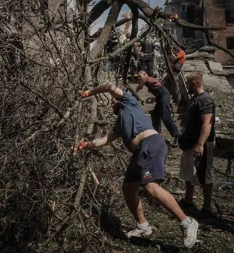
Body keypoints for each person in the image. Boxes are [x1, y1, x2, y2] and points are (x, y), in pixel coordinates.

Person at [76, 83, 199, 248]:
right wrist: (85, 145)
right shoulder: (120, 123)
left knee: (151, 187)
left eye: (114, 100)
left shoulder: (129, 102)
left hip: (150, 145)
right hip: (139, 153)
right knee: (128, 188)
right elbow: (104, 140)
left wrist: (89, 92)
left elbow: (109, 87)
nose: (111, 103)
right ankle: (143, 226)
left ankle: (187, 222)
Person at [178, 73, 216, 215]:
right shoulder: (194, 99)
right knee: (188, 171)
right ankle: (189, 199)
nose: (186, 86)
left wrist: (200, 144)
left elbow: (207, 123)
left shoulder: (205, 100)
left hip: (201, 144)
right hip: (190, 143)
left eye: (187, 83)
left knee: (203, 174)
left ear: (194, 83)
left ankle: (207, 208)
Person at [136, 70, 180, 147]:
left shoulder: (146, 78)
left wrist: (134, 92)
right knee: (155, 114)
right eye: (138, 77)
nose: (139, 78)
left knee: (165, 116)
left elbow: (140, 85)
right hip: (159, 97)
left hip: (163, 94)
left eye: (140, 76)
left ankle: (177, 136)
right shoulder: (147, 80)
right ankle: (157, 136)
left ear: (145, 74)